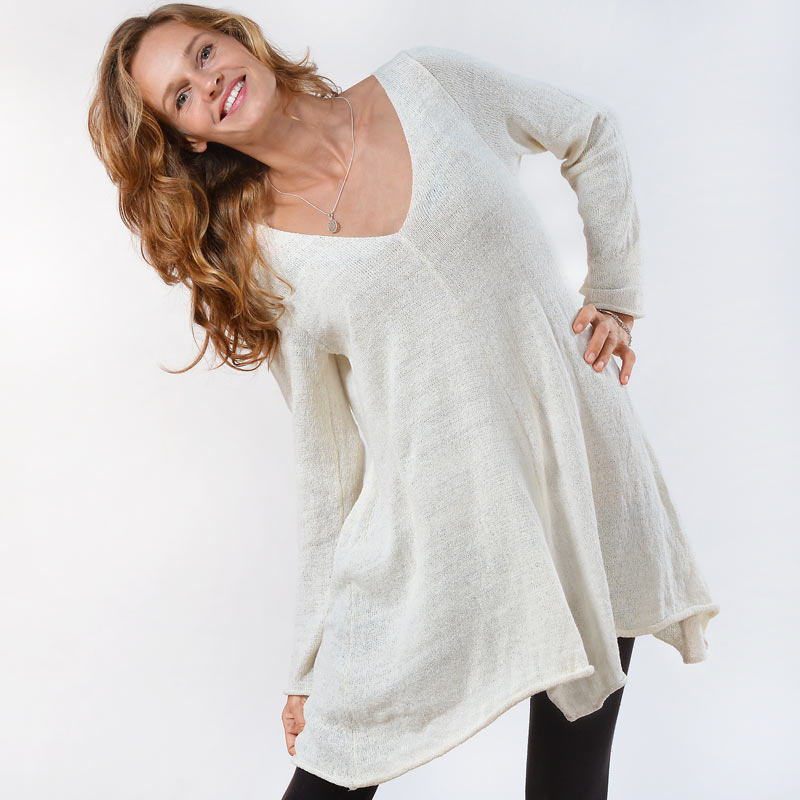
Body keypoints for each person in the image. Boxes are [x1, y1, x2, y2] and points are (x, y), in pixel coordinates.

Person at [88, 4, 720, 797]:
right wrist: (311, 662)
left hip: (585, 472)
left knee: (571, 780)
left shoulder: (429, 83)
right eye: (180, 95)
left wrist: (616, 295)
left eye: (203, 53)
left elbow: (590, 130)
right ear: (187, 139)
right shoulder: (264, 261)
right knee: (334, 776)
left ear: (237, 39)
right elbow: (328, 463)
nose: (207, 83)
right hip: (437, 539)